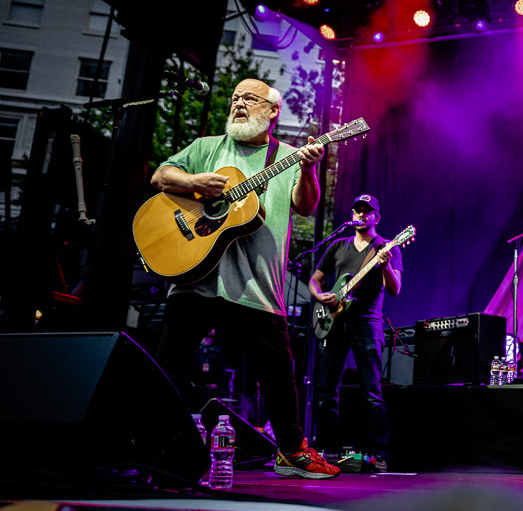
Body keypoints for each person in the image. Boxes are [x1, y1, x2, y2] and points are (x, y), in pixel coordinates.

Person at [152, 78, 341, 480]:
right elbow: (160, 177)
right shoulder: (206, 149)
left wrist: (310, 169)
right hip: (194, 276)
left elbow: (306, 206)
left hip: (256, 282)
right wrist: (192, 182)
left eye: (250, 99)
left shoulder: (287, 156)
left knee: (277, 372)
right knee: (168, 366)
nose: (238, 104)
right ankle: (159, 445)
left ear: (272, 111)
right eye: (236, 98)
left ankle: (291, 451)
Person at [308, 193, 402, 469]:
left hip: (367, 323)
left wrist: (385, 268)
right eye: (357, 210)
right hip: (334, 322)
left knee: (371, 390)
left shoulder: (387, 247)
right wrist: (320, 296)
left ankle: (379, 452)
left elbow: (395, 289)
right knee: (326, 390)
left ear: (377, 217)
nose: (361, 215)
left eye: (367, 211)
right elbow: (316, 279)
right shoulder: (338, 246)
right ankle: (325, 449)